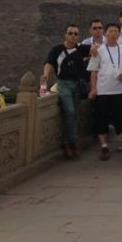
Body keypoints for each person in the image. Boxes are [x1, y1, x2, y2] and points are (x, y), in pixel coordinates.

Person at [87, 23, 122, 162]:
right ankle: (104, 146)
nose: (113, 34)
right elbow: (93, 72)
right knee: (101, 119)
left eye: (115, 31)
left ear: (119, 34)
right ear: (106, 34)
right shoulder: (99, 50)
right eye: (110, 31)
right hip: (102, 91)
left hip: (120, 90)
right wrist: (93, 89)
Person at [42, 24, 91, 159]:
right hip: (64, 84)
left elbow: (97, 48)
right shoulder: (57, 49)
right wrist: (46, 75)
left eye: (76, 34)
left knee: (74, 114)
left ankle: (68, 142)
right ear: (65, 35)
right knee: (69, 111)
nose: (73, 36)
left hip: (78, 85)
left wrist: (94, 51)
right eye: (70, 33)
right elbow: (49, 63)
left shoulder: (81, 49)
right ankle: (72, 142)